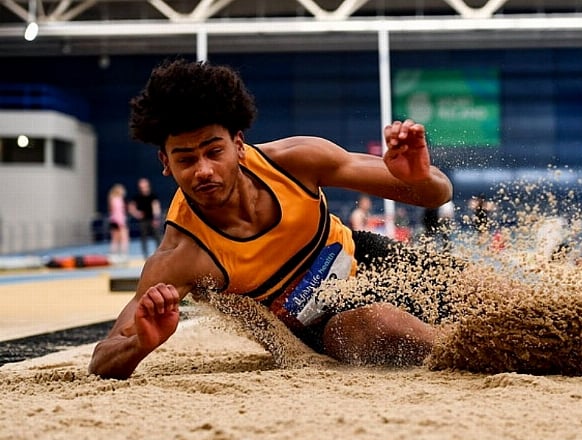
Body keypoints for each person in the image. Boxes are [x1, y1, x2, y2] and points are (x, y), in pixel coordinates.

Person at [88, 59, 453, 379]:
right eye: (185, 160)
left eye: (214, 152)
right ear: (166, 164)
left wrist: (416, 177)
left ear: (239, 144)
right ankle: (470, 351)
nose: (203, 171)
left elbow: (437, 193)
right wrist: (140, 345)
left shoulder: (296, 161)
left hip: (370, 257)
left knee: (481, 294)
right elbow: (102, 360)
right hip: (324, 323)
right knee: (379, 324)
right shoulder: (182, 255)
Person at [128, 177, 162, 258]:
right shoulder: (137, 197)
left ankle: (160, 254)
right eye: (142, 187)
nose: (143, 188)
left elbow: (156, 207)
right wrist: (136, 214)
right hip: (143, 220)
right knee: (144, 238)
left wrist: (156, 218)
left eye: (145, 186)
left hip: (152, 219)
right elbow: (131, 207)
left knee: (157, 237)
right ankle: (145, 255)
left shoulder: (153, 196)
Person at [107, 183, 129, 263]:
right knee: (124, 239)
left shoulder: (112, 199)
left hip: (113, 221)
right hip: (118, 221)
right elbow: (117, 212)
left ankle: (114, 255)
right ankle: (122, 256)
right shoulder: (117, 200)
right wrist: (120, 223)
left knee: (115, 239)